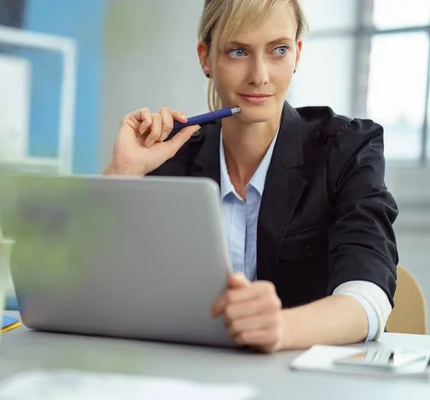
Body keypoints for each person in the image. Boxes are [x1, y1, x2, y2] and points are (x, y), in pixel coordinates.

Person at [103, 0, 399, 353]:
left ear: (297, 54)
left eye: (278, 50)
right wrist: (121, 173)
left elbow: (369, 295)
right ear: (206, 58)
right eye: (238, 51)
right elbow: (80, 284)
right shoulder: (166, 158)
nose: (259, 75)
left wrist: (282, 329)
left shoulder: (347, 148)